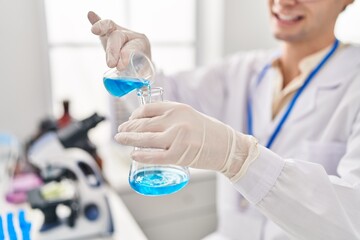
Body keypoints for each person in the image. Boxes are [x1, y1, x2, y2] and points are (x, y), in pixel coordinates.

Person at [88, 0, 360, 238]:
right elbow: (163, 101)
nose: (285, 1)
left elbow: (354, 218)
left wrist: (238, 157)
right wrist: (135, 65)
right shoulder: (242, 70)